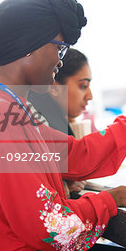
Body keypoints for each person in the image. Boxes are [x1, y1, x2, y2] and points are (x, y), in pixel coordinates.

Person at [0, 0, 126, 251]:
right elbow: (50, 225)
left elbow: (77, 155)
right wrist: (113, 198)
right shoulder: (0, 114)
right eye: (59, 48)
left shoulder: (10, 107)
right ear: (29, 46)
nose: (60, 60)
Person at [28, 48, 93, 198]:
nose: (90, 96)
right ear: (55, 87)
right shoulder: (43, 125)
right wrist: (63, 185)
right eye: (83, 86)